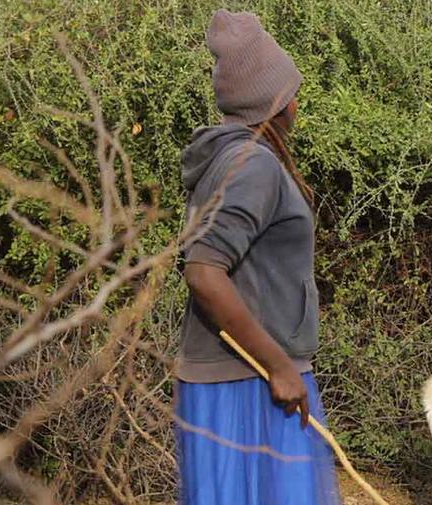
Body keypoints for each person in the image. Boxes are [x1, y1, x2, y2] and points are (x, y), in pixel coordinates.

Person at [173, 9, 340, 505]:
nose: (297, 106)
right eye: (292, 96)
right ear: (276, 104)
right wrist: (278, 366)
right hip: (250, 382)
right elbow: (204, 271)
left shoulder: (233, 158)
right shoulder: (253, 165)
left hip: (246, 375)